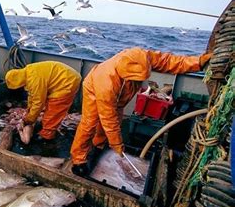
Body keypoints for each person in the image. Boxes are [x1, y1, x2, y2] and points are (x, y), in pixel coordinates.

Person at [70, 47, 212, 175]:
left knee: (114, 123)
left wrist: (198, 62)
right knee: (90, 123)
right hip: (94, 90)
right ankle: (78, 159)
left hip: (120, 96)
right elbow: (108, 117)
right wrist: (117, 144)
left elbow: (168, 61)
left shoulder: (144, 57)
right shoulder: (106, 83)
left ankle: (98, 146)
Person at [5, 61, 82, 141]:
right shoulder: (28, 72)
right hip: (64, 77)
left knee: (54, 111)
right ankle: (45, 128)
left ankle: (46, 136)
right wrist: (29, 110)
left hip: (68, 82)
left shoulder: (35, 81)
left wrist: (29, 120)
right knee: (46, 107)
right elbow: (32, 96)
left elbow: (38, 103)